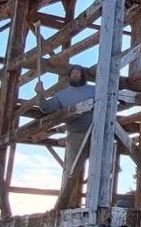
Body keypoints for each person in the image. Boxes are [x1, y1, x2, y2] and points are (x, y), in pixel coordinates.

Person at [32, 64, 95, 201]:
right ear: (69, 76)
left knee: (99, 170)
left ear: (82, 76)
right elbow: (46, 108)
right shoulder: (62, 95)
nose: (75, 75)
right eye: (73, 73)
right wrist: (40, 94)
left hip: (98, 132)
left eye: (78, 73)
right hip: (76, 134)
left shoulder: (95, 90)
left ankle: (97, 203)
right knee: (71, 170)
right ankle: (65, 203)